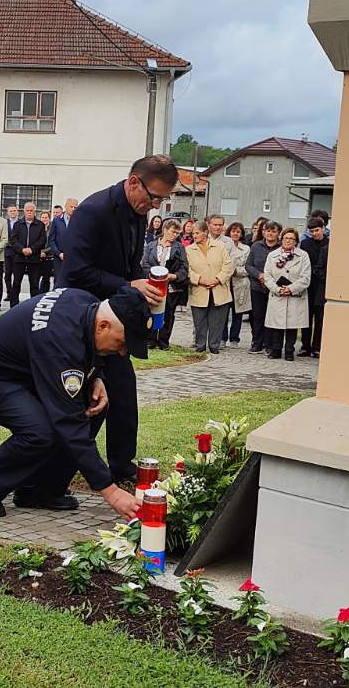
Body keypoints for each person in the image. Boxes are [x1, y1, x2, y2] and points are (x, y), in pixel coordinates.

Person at [0, 286, 150, 520]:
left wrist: (96, 376)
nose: (121, 353)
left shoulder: (88, 301)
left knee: (93, 408)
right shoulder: (59, 341)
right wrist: (111, 491)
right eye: (122, 343)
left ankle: (40, 489)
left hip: (28, 370)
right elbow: (69, 422)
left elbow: (87, 349)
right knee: (40, 432)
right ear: (104, 326)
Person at [57, 155, 179, 486]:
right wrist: (128, 285)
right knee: (83, 400)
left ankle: (122, 468)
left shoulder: (137, 214)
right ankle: (53, 477)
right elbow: (74, 273)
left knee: (123, 392)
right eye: (154, 197)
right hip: (80, 318)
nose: (155, 206)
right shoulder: (93, 210)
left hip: (116, 316)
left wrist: (149, 284)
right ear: (133, 181)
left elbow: (128, 266)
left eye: (162, 201)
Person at [261, 228, 311, 361]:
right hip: (277, 295)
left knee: (292, 325)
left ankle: (289, 350)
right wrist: (277, 289)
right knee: (277, 324)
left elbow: (305, 277)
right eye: (286, 238)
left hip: (295, 296)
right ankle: (276, 350)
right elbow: (267, 275)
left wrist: (291, 288)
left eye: (291, 239)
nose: (288, 241)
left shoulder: (303, 256)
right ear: (281, 239)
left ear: (296, 241)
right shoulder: (272, 256)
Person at [186, 216, 233, 354]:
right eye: (193, 233)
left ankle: (214, 345)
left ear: (205, 232)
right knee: (199, 320)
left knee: (217, 320)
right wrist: (200, 280)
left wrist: (217, 280)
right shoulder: (189, 250)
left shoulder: (220, 246)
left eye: (197, 233)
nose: (194, 236)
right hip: (199, 288)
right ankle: (200, 345)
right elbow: (187, 269)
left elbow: (228, 266)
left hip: (219, 288)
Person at [141, 218, 188, 350]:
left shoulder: (179, 248)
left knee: (168, 313)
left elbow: (184, 269)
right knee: (150, 311)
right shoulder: (151, 246)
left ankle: (163, 341)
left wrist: (172, 276)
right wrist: (154, 275)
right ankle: (150, 339)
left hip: (170, 286)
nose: (175, 235)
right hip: (152, 283)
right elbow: (144, 264)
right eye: (173, 232)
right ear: (165, 230)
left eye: (177, 233)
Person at [245, 221, 282, 352]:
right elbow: (248, 265)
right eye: (268, 231)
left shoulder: (282, 248)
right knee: (257, 316)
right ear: (263, 232)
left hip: (275, 288)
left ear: (278, 233)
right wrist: (259, 275)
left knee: (271, 316)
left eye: (273, 231)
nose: (270, 233)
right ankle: (256, 342)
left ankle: (269, 344)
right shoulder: (256, 246)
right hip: (257, 287)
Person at [298, 217, 330, 358]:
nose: (315, 233)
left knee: (320, 317)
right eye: (312, 231)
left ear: (323, 228)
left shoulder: (329, 244)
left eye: (317, 230)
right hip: (308, 283)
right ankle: (305, 346)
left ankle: (317, 346)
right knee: (306, 316)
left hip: (322, 284)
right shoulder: (305, 243)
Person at [8, 202, 47, 302]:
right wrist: (22, 249)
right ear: (24, 211)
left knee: (34, 284)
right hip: (19, 258)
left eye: (31, 211)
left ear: (35, 212)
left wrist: (31, 249)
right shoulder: (17, 225)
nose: (29, 212)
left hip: (34, 259)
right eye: (27, 210)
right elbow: (13, 240)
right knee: (16, 283)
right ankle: (14, 305)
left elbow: (42, 241)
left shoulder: (40, 225)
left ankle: (33, 306)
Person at [223, 221, 252, 348]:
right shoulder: (223, 246)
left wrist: (235, 271)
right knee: (223, 313)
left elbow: (248, 268)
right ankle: (222, 338)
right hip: (225, 283)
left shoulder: (246, 249)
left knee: (237, 313)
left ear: (241, 234)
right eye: (233, 231)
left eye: (238, 231)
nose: (235, 233)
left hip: (239, 283)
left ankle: (234, 338)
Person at [45, 204, 66, 289]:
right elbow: (51, 240)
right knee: (55, 279)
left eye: (57, 212)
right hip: (56, 255)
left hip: (64, 255)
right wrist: (58, 253)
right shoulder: (54, 223)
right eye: (54, 212)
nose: (55, 214)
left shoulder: (67, 221)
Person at [3, 205, 21, 304]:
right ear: (8, 213)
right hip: (7, 252)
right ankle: (9, 293)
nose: (13, 212)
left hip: (18, 252)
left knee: (17, 274)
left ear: (17, 212)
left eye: (15, 211)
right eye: (11, 211)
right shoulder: (5, 223)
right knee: (7, 274)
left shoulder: (21, 223)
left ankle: (15, 294)